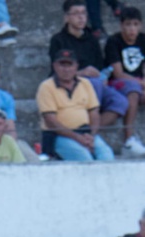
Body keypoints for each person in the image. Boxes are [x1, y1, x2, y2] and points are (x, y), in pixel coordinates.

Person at [49, 1, 142, 155]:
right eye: (76, 13)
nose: (81, 18)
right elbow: (55, 70)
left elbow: (100, 65)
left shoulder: (91, 38)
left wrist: (102, 75)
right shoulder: (58, 40)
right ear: (67, 17)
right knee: (94, 85)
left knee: (120, 102)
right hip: (73, 83)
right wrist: (81, 72)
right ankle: (87, 135)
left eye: (83, 13)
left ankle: (87, 133)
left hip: (96, 83)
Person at [36, 47, 115, 159]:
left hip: (85, 132)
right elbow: (51, 121)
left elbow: (94, 113)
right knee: (84, 157)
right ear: (54, 66)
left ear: (76, 66)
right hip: (59, 135)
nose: (66, 69)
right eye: (62, 65)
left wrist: (91, 136)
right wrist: (78, 138)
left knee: (107, 154)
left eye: (70, 65)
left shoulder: (85, 83)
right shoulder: (46, 86)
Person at [104, 6, 145, 151]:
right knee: (133, 92)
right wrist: (141, 83)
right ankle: (128, 139)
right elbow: (118, 73)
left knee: (136, 90)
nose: (132, 29)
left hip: (138, 82)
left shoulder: (143, 40)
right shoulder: (114, 42)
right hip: (117, 83)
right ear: (121, 26)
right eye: (128, 25)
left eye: (135, 24)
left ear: (140, 25)